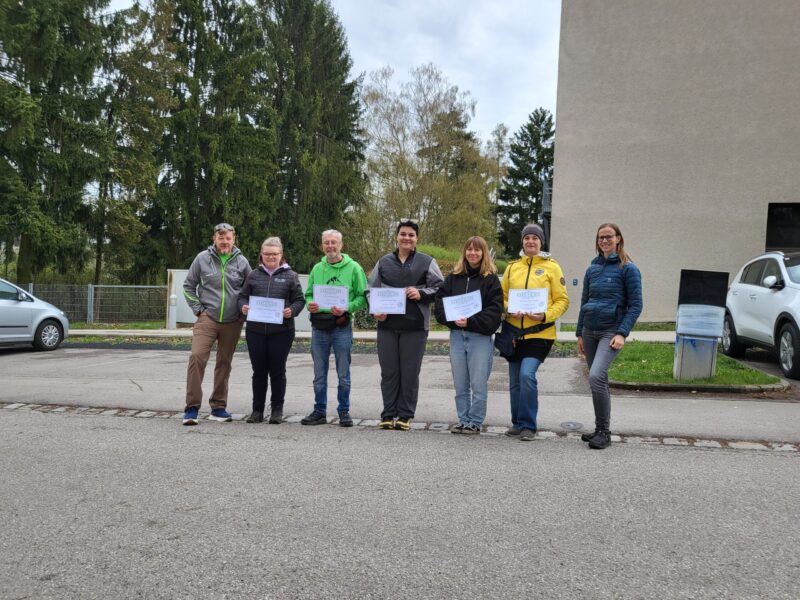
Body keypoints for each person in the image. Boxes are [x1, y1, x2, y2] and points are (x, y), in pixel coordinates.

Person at [368, 219, 444, 431]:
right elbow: (370, 289)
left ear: (416, 238)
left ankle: (405, 415)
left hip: (416, 326)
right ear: (397, 236)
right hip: (387, 326)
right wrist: (375, 310)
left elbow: (440, 288)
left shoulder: (427, 261)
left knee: (410, 373)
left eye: (411, 235)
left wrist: (421, 293)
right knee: (389, 372)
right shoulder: (383, 262)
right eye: (403, 234)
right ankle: (388, 413)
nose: (406, 238)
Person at [576, 223, 643, 449]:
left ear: (618, 239)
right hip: (590, 331)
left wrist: (622, 333)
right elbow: (584, 301)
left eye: (608, 237)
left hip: (610, 331)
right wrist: (579, 333)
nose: (604, 241)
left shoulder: (628, 269)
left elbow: (636, 305)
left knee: (596, 376)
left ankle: (604, 432)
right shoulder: (592, 269)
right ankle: (600, 429)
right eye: (600, 237)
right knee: (598, 381)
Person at [501, 224, 570, 441]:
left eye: (535, 238)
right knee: (514, 381)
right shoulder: (512, 267)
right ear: (522, 241)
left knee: (526, 375)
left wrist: (545, 315)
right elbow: (501, 297)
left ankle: (528, 425)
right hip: (513, 333)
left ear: (541, 242)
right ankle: (517, 423)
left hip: (540, 333)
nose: (530, 241)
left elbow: (562, 300)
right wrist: (508, 308)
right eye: (527, 238)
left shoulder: (552, 267)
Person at [182, 222, 252, 425]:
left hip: (233, 321)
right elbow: (188, 286)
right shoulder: (202, 259)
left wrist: (243, 314)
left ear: (233, 239)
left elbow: (251, 289)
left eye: (228, 238)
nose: (224, 241)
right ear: (214, 239)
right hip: (207, 319)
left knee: (224, 363)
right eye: (221, 238)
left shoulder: (242, 262)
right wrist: (198, 310)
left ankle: (218, 407)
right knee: (197, 357)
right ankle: (192, 408)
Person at [434, 236, 503, 434]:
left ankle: (475, 421)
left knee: (478, 383)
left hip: (479, 338)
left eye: (477, 250)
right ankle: (463, 420)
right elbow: (440, 303)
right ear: (464, 252)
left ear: (483, 253)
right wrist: (452, 320)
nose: (473, 253)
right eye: (469, 249)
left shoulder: (490, 280)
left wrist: (471, 321)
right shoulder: (453, 278)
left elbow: (494, 311)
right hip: (457, 336)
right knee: (460, 383)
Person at [300, 230, 368, 427]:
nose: (330, 246)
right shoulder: (317, 268)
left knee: (343, 374)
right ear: (322, 246)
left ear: (341, 245)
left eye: (334, 242)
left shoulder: (354, 268)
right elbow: (308, 294)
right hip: (319, 326)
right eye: (326, 243)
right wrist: (310, 304)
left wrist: (347, 307)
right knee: (319, 374)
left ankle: (344, 411)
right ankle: (319, 411)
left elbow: (363, 297)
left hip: (341, 326)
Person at [238, 237, 305, 424]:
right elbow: (242, 297)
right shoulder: (253, 275)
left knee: (277, 371)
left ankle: (277, 410)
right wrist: (243, 306)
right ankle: (257, 410)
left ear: (281, 255)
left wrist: (292, 310)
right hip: (256, 331)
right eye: (267, 254)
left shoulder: (291, 276)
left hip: (282, 331)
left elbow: (300, 300)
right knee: (258, 371)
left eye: (275, 254)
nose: (271, 257)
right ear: (261, 255)